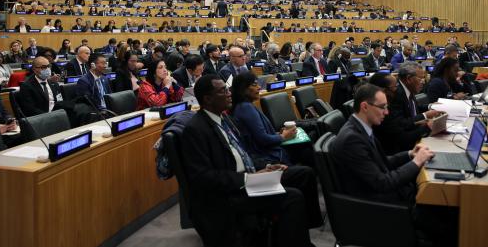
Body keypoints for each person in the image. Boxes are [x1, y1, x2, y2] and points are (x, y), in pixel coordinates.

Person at [180, 74, 321, 247]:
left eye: (228, 89)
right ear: (207, 99)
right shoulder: (195, 130)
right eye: (223, 91)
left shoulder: (226, 120)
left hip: (249, 176)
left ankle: (297, 234)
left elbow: (243, 154)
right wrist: (248, 178)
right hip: (228, 194)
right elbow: (203, 177)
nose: (229, 93)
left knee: (302, 174)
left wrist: (266, 167)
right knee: (292, 197)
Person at [329, 84, 456, 247]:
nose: (387, 112)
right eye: (382, 107)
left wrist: (410, 154)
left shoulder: (360, 128)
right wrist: (417, 162)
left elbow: (382, 162)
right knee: (450, 217)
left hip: (392, 197)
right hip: (384, 209)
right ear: (365, 106)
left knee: (446, 205)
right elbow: (382, 183)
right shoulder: (352, 139)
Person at [230, 71, 296, 165]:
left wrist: (278, 134)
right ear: (243, 89)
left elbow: (257, 135)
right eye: (254, 85)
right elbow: (263, 139)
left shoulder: (243, 106)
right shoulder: (245, 108)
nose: (259, 87)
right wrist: (283, 136)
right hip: (267, 156)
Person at [375, 62, 440, 154]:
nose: (423, 81)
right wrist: (425, 120)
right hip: (400, 149)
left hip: (411, 137)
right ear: (409, 79)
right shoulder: (395, 94)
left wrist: (430, 107)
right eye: (420, 78)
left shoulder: (409, 88)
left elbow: (414, 107)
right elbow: (400, 125)